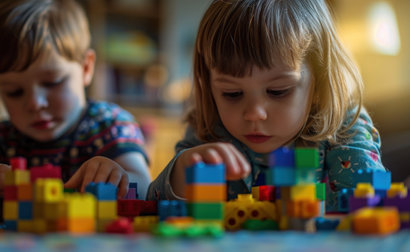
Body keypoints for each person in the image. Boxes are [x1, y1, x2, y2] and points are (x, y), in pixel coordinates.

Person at [147, 0, 386, 203]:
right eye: (232, 93)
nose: (254, 113)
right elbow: (153, 204)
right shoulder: (210, 127)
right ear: (209, 86)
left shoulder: (344, 126)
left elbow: (371, 202)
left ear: (320, 83)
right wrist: (180, 174)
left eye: (277, 91)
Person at [0, 0, 151, 201]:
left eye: (52, 83)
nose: (35, 103)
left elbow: (145, 187)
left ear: (86, 68)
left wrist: (119, 177)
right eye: (14, 91)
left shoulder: (111, 125)